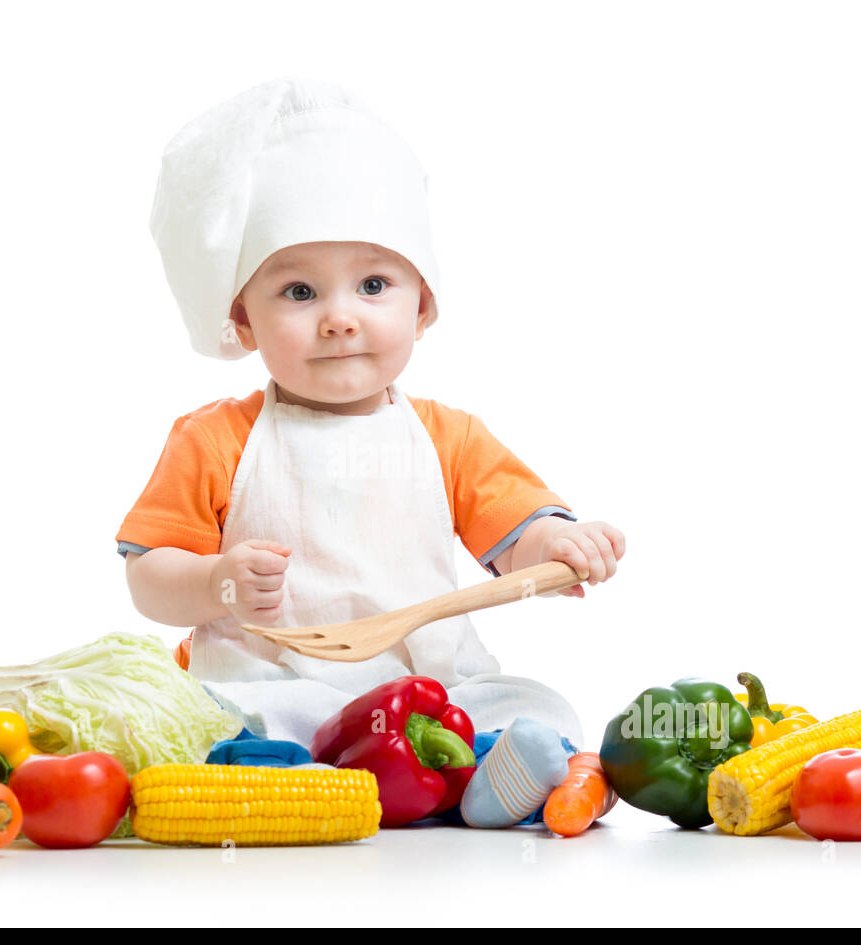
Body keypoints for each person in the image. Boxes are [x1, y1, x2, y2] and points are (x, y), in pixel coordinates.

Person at [116, 78, 625, 771]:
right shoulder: (213, 440)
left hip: (427, 690)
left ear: (423, 306)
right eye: (299, 292)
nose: (340, 317)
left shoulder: (449, 437)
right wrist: (215, 584)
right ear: (243, 320)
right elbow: (150, 576)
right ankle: (334, 772)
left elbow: (515, 543)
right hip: (275, 676)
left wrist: (559, 548)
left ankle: (477, 769)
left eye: (374, 286)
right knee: (244, 718)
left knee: (536, 708)